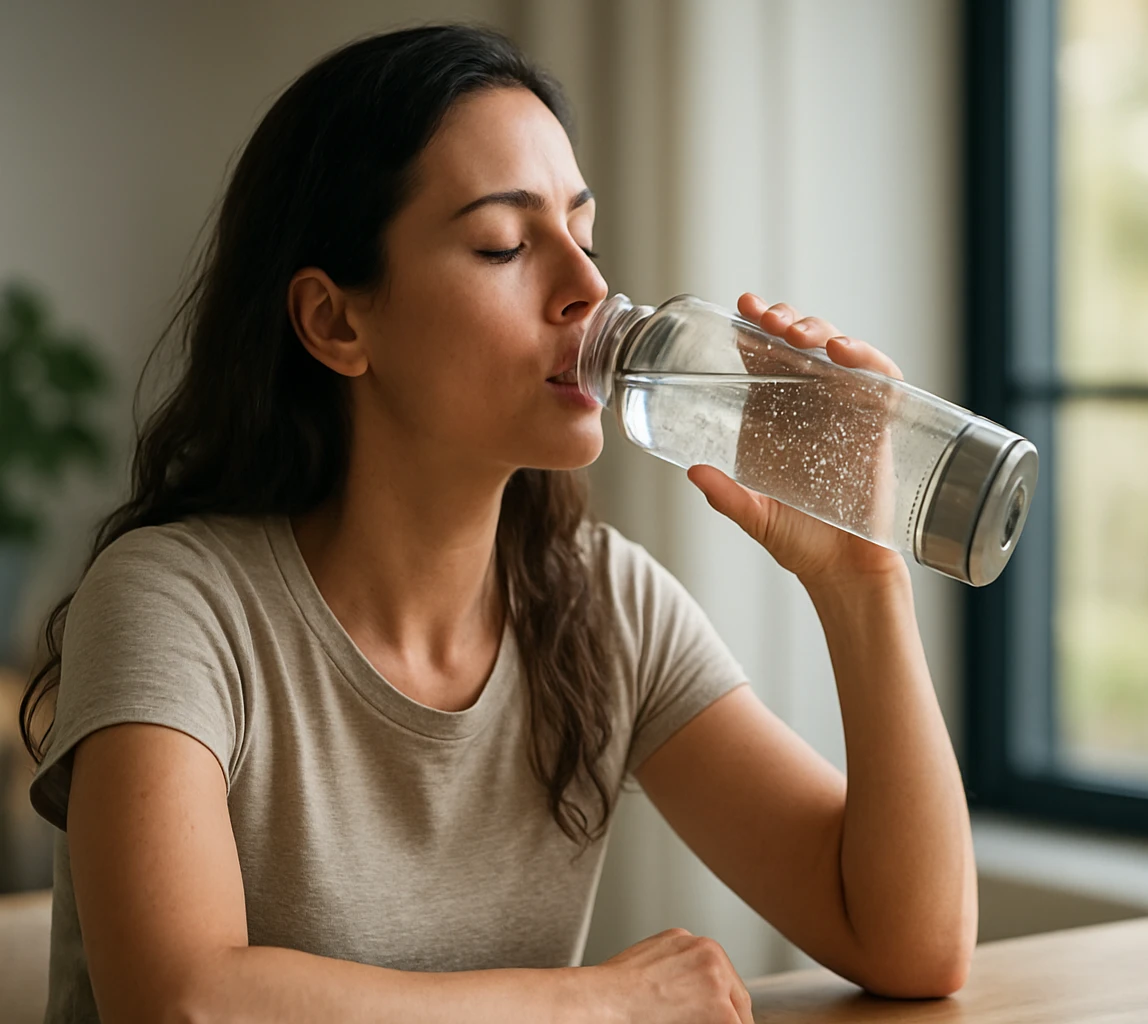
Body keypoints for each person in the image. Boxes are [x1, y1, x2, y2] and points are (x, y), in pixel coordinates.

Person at [19, 24, 975, 1024]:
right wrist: (600, 1005)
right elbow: (181, 1002)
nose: (591, 290)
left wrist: (861, 582)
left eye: (585, 236)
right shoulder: (173, 601)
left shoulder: (600, 601)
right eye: (506, 245)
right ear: (336, 323)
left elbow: (910, 940)